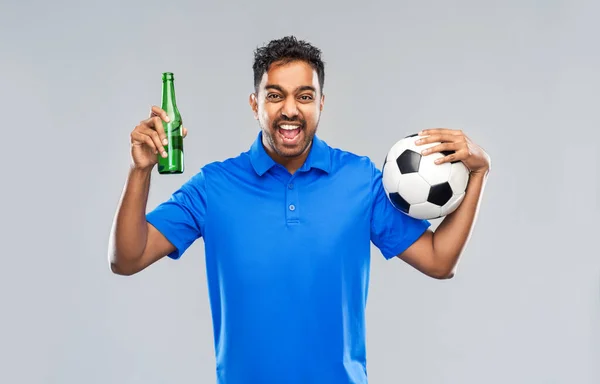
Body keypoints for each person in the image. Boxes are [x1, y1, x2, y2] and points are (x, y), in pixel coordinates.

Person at [108, 35, 491, 384]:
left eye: (304, 96)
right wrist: (139, 170)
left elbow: (440, 261)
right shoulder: (214, 186)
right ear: (255, 103)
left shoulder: (360, 180)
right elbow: (127, 258)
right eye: (275, 95)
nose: (290, 109)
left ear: (321, 103)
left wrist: (479, 173)